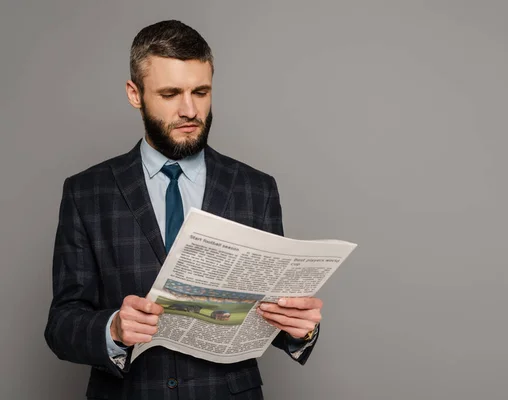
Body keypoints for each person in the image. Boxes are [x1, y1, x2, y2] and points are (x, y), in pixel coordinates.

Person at [44, 20, 323, 400]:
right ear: (135, 94)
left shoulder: (256, 189)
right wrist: (113, 329)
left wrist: (299, 329)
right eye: (171, 93)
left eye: (201, 92)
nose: (190, 109)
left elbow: (269, 314)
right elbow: (61, 323)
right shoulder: (87, 192)